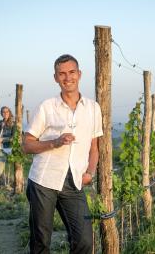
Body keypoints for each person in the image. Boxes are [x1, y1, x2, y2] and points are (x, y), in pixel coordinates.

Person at [22, 54, 103, 254]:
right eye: (62, 74)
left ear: (80, 74)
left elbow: (94, 147)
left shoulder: (93, 108)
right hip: (43, 181)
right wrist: (55, 142)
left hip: (74, 181)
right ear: (56, 78)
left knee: (84, 240)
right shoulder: (47, 107)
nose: (68, 78)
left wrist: (90, 173)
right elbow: (26, 145)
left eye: (72, 72)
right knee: (41, 242)